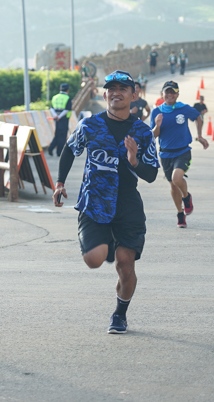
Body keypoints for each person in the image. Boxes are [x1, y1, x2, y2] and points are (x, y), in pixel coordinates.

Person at [53, 70, 159, 335]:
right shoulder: (90, 125)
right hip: (94, 202)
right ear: (104, 94)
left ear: (134, 95)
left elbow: (153, 174)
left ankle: (120, 314)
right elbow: (69, 149)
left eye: (123, 88)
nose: (116, 93)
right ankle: (106, 245)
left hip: (127, 206)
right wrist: (60, 182)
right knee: (93, 259)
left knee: (125, 264)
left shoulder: (142, 132)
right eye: (111, 88)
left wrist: (135, 161)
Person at [150, 81, 209, 228]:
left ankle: (186, 197)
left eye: (173, 92)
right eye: (167, 92)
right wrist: (157, 125)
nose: (170, 94)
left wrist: (200, 135)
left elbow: (198, 117)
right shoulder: (157, 112)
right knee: (173, 185)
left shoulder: (183, 108)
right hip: (165, 154)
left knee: (177, 178)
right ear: (162, 94)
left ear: (177, 94)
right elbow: (154, 135)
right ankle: (180, 213)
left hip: (183, 151)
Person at [48, 83, 73, 156]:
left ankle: (51, 147)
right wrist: (60, 117)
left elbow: (51, 108)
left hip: (56, 119)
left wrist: (56, 116)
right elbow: (67, 110)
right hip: (63, 119)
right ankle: (59, 152)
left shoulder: (55, 97)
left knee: (57, 134)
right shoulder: (67, 98)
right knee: (62, 136)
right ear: (67, 90)